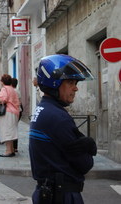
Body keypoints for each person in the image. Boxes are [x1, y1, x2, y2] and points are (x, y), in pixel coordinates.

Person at [29, 54, 97, 204]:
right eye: (70, 82)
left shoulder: (43, 109)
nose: (76, 88)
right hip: (62, 196)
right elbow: (85, 164)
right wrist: (88, 148)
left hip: (49, 193)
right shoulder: (58, 117)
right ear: (54, 83)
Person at [0, 74, 20, 157]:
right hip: (14, 111)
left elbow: (3, 100)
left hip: (7, 112)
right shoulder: (12, 89)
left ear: (2, 81)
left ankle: (8, 151)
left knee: (7, 131)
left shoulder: (4, 89)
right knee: (11, 131)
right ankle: (11, 150)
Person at [11, 78, 23, 152]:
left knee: (13, 129)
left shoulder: (13, 91)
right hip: (18, 111)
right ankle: (14, 147)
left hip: (15, 111)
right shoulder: (17, 91)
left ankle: (14, 147)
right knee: (14, 128)